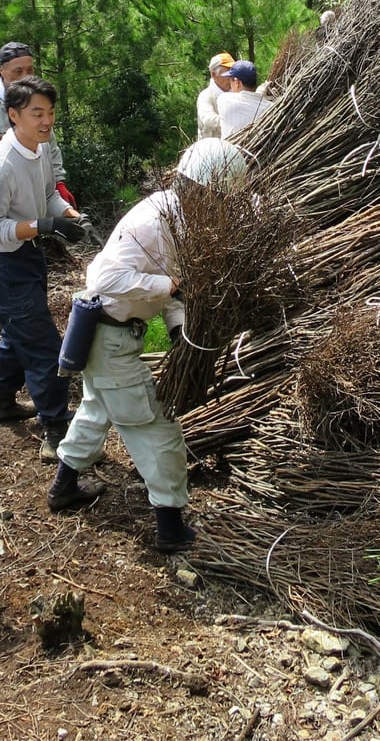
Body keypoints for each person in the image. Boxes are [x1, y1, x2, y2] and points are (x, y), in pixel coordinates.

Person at [47, 137, 249, 553]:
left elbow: (171, 291)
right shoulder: (157, 221)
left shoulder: (179, 218)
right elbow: (107, 280)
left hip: (110, 336)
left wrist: (178, 327)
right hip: (108, 338)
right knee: (157, 430)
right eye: (221, 199)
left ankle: (63, 487)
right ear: (206, 189)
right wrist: (168, 285)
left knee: (96, 409)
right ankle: (170, 526)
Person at [0, 76, 88, 461]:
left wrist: (69, 215)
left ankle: (3, 402)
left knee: (15, 333)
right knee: (42, 347)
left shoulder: (37, 150)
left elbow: (47, 196)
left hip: (28, 256)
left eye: (51, 112)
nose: (46, 121)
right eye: (37, 113)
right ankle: (55, 431)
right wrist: (45, 225)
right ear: (13, 115)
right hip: (5, 264)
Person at [0, 42, 75, 373]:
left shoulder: (36, 103)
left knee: (17, 292)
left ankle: (9, 349)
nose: (25, 75)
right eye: (18, 72)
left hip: (26, 209)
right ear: (2, 72)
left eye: (30, 69)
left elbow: (48, 147)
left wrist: (59, 184)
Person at [217, 59, 274, 139]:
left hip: (232, 150)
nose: (230, 85)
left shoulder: (224, 100)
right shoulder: (271, 108)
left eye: (231, 81)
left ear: (237, 82)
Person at [195, 52, 235, 139]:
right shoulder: (206, 96)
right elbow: (208, 120)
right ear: (213, 74)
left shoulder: (236, 93)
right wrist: (233, 122)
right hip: (212, 149)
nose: (231, 78)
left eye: (232, 74)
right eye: (227, 75)